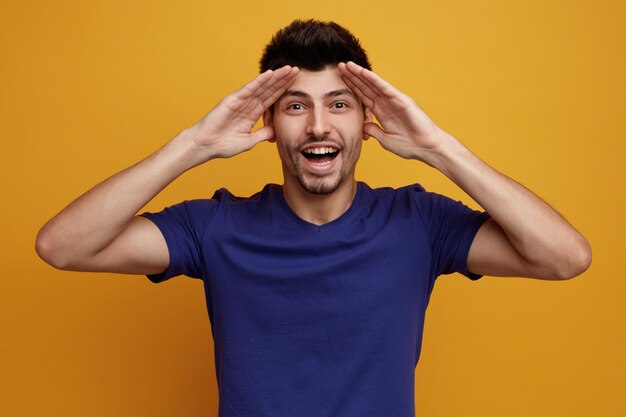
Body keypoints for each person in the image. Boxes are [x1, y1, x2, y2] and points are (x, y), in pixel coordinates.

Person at [36, 19, 591, 417]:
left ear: (367, 121)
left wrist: (439, 148)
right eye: (297, 105)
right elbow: (63, 247)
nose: (319, 126)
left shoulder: (419, 222)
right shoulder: (214, 227)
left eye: (340, 104)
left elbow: (565, 257)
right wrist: (194, 145)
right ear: (271, 123)